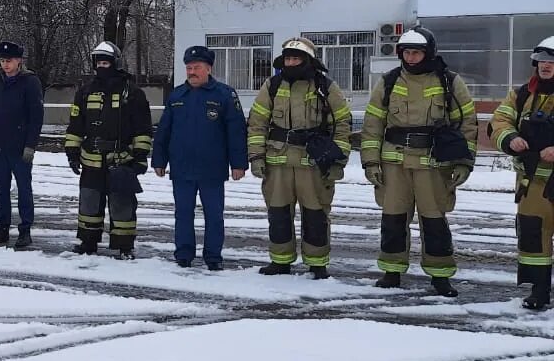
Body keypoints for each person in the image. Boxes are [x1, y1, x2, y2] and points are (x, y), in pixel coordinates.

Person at [360, 25, 477, 297]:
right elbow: (372, 124)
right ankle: (392, 271)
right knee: (392, 220)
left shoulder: (449, 81)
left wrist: (464, 162)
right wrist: (370, 162)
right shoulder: (388, 82)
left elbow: (467, 125)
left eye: (417, 53)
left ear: (429, 53)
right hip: (394, 164)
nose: (411, 58)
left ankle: (440, 276)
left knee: (434, 222)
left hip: (433, 165)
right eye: (407, 52)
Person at [247, 38, 352, 279]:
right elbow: (257, 124)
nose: (291, 63)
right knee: (278, 214)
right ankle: (280, 261)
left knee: (316, 215)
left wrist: (338, 160)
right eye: (288, 58)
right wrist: (256, 157)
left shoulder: (325, 86)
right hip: (278, 163)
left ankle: (317, 264)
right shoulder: (272, 85)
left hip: (314, 163)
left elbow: (342, 124)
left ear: (307, 60)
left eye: (296, 58)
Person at [152, 45, 247, 270]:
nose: (192, 72)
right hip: (182, 167)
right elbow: (164, 130)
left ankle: (213, 257)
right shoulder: (177, 95)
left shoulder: (224, 94)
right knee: (183, 214)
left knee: (214, 216)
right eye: (189, 68)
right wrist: (159, 159)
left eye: (196, 67)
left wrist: (239, 164)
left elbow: (236, 131)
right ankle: (184, 254)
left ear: (208, 68)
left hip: (212, 168)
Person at [64, 41, 153, 258]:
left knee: (122, 205)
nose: (102, 67)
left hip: (120, 160)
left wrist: (140, 156)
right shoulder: (84, 92)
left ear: (116, 63)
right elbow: (75, 125)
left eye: (106, 62)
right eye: (99, 62)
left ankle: (124, 246)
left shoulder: (132, 93)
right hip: (91, 161)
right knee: (89, 203)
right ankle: (88, 243)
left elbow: (143, 129)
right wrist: (72, 153)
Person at [494, 37, 554, 310]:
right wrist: (510, 139)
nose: (546, 66)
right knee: (533, 233)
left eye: (551, 62)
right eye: (541, 61)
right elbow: (499, 121)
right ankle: (538, 291)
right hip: (532, 180)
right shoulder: (521, 94)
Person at [0, 41, 44, 250]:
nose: (5, 64)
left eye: (9, 61)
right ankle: (2, 228)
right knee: (1, 190)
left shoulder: (30, 82)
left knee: (24, 189)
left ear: (19, 61)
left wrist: (31, 145)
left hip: (19, 146)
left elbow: (36, 117)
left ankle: (25, 229)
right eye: (3, 61)